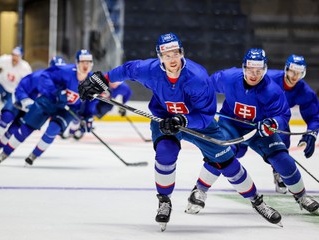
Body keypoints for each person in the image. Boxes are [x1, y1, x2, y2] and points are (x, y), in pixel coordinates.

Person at [77, 33, 282, 231]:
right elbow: (128, 69)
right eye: (167, 55)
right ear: (160, 57)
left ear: (181, 53)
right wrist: (102, 79)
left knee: (227, 163)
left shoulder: (198, 78)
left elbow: (206, 115)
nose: (172, 59)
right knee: (165, 153)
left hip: (197, 122)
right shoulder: (149, 70)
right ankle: (164, 201)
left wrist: (184, 119)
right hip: (165, 120)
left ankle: (257, 201)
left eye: (175, 53)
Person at [185, 48, 319, 216]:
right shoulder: (228, 78)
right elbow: (205, 86)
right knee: (222, 153)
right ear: (243, 67)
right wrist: (190, 99)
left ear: (264, 69)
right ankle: (199, 190)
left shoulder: (273, 90)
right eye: (250, 69)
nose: (254, 74)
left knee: (282, 158)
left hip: (259, 129)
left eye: (258, 70)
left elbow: (283, 115)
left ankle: (301, 195)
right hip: (230, 125)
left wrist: (273, 123)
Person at [0, 50, 95, 165]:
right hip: (47, 102)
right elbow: (44, 76)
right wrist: (55, 93)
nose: (86, 65)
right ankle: (4, 153)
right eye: (83, 62)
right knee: (24, 127)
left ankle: (33, 156)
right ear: (77, 62)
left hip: (66, 109)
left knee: (53, 129)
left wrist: (88, 116)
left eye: (88, 62)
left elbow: (91, 101)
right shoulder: (65, 71)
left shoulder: (92, 82)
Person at [266, 55, 319, 193]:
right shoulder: (268, 78)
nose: (295, 76)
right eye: (292, 71)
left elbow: (314, 116)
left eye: (299, 72)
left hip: (277, 119)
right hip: (256, 115)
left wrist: (311, 134)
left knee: (282, 140)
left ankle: (279, 171)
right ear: (286, 69)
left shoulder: (305, 91)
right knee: (239, 150)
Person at [0, 56, 67, 149]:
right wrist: (25, 99)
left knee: (15, 129)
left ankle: (0, 146)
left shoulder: (63, 85)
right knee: (7, 116)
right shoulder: (38, 76)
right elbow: (21, 86)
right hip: (20, 99)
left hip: (33, 108)